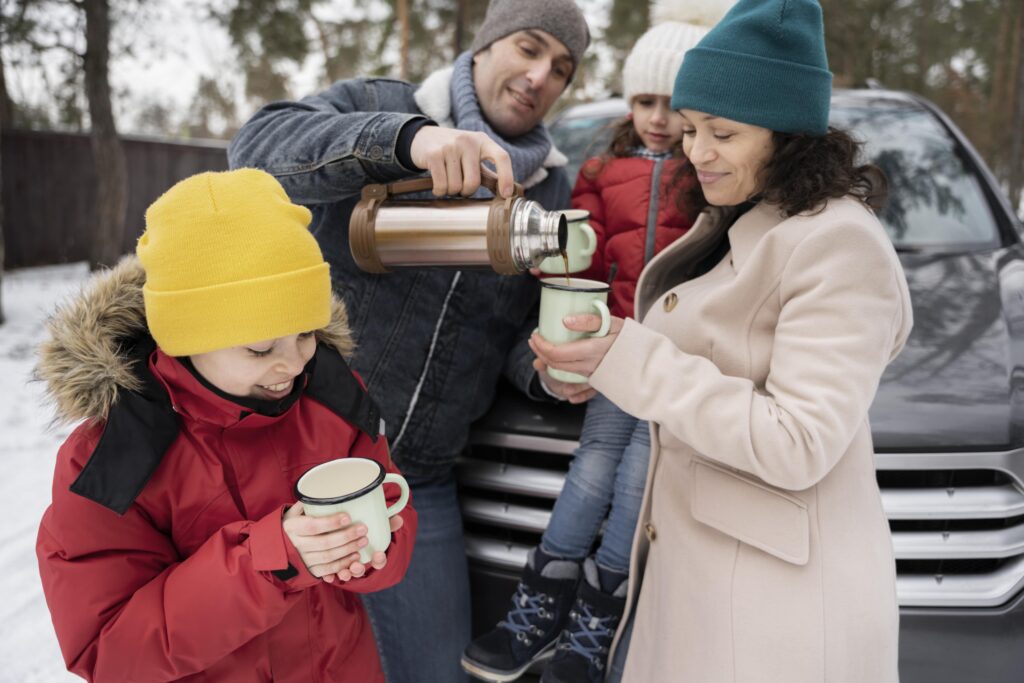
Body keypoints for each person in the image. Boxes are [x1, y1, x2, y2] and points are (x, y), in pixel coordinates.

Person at [529, 0, 913, 680]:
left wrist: (633, 359)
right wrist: (600, 366)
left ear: (788, 134)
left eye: (723, 133)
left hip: (777, 621)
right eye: (692, 128)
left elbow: (796, 440)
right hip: (705, 584)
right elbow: (693, 374)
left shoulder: (838, 244)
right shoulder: (737, 218)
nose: (695, 151)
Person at [226, 2, 590, 680]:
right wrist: (407, 142)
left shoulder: (552, 190)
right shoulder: (379, 104)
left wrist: (549, 368)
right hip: (292, 459)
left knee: (433, 672)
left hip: (415, 480)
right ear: (483, 46)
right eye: (529, 48)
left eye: (561, 68)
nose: (541, 75)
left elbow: (517, 333)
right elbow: (255, 151)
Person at [35, 168, 417, 682]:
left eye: (306, 332)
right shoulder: (113, 459)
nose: (294, 364)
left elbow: (390, 511)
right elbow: (108, 650)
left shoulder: (330, 392)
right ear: (184, 337)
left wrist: (372, 550)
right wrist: (270, 561)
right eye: (260, 348)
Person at [460, 3, 733, 681]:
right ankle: (537, 603)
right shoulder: (600, 168)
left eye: (677, 104)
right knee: (593, 469)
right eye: (645, 100)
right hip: (612, 349)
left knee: (641, 479)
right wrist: (560, 294)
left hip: (674, 360)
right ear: (628, 101)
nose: (660, 118)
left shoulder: (714, 179)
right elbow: (574, 253)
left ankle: (594, 623)